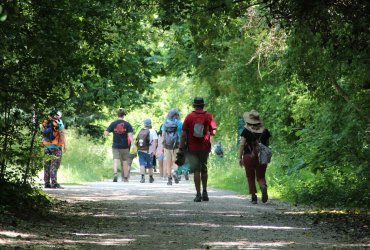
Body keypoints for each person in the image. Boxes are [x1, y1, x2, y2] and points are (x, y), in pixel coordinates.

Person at [178, 97, 217, 202]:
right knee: (204, 169)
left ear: (194, 105)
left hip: (192, 147)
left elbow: (183, 134)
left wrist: (181, 148)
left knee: (196, 170)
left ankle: (198, 195)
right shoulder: (208, 116)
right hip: (205, 147)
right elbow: (213, 131)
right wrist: (208, 135)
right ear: (203, 105)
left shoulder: (189, 117)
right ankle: (205, 192)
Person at [239, 109, 271, 204]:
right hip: (262, 157)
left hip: (248, 156)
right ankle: (263, 186)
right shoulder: (265, 131)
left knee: (250, 176)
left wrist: (239, 157)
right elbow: (267, 145)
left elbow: (241, 145)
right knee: (261, 176)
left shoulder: (246, 131)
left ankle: (253, 197)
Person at [103, 108, 133, 182]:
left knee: (115, 159)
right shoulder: (127, 124)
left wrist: (104, 135)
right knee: (125, 161)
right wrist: (133, 144)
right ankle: (125, 177)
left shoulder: (113, 123)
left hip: (115, 145)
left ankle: (115, 174)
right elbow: (130, 136)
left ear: (117, 115)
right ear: (124, 115)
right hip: (125, 146)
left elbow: (106, 133)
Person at [42, 109, 67, 188]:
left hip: (46, 146)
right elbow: (62, 133)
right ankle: (54, 183)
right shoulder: (58, 122)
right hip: (56, 147)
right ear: (58, 115)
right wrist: (65, 145)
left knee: (47, 165)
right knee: (54, 165)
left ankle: (46, 183)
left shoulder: (45, 122)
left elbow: (43, 133)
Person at [163, 108, 182, 185]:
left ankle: (169, 179)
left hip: (167, 145)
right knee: (176, 161)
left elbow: (163, 134)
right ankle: (175, 172)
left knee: (168, 162)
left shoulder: (166, 123)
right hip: (177, 144)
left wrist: (163, 144)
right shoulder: (179, 123)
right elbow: (182, 134)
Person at [136, 119, 158, 183]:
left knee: (142, 164)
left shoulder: (140, 130)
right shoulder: (153, 131)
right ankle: (151, 178)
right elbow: (155, 142)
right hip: (149, 151)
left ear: (144, 124)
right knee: (150, 165)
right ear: (150, 124)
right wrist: (154, 151)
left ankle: (142, 177)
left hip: (140, 149)